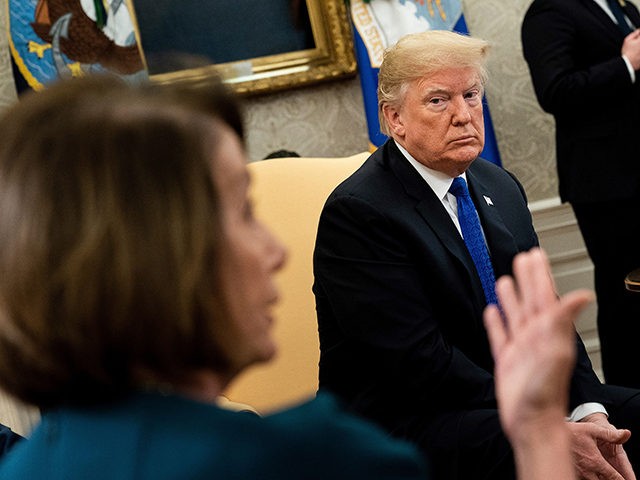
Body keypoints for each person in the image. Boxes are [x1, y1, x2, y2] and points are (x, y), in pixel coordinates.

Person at [0, 75, 428, 479]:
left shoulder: (22, 467)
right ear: (158, 258)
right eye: (244, 212)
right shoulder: (315, 460)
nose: (276, 253)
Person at [313, 29, 640, 480]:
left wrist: (587, 409)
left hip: (510, 399)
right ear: (393, 119)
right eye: (439, 101)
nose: (464, 115)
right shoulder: (359, 214)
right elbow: (419, 365)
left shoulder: (500, 186)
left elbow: (548, 318)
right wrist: (545, 420)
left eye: (471, 95)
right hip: (410, 418)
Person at [521, 0, 640, 389]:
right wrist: (625, 64)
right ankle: (629, 401)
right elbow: (554, 91)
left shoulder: (622, 6)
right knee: (624, 297)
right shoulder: (549, 12)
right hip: (607, 185)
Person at [485, 248, 594, 480]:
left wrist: (591, 411)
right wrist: (542, 425)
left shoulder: (509, 210)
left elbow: (553, 322)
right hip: (463, 416)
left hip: (553, 398)